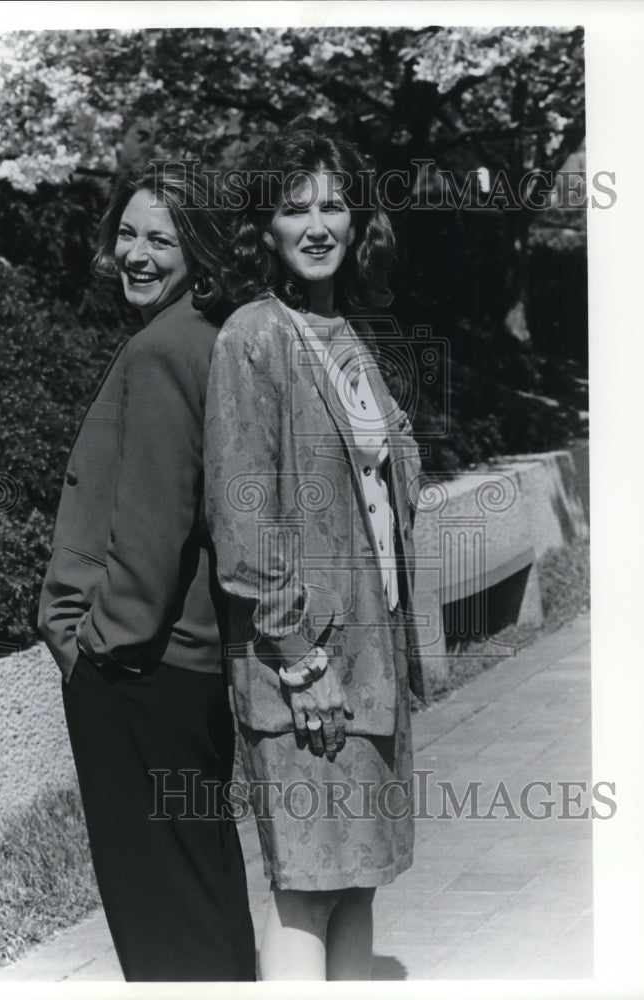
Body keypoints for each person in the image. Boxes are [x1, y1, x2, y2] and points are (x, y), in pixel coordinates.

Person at [203, 119, 424, 980]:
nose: (318, 226)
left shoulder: (345, 335)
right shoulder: (252, 336)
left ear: (360, 221)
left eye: (335, 206)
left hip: (371, 655)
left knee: (358, 881)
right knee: (308, 886)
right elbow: (243, 517)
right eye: (295, 210)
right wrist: (300, 658)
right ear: (265, 228)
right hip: (305, 664)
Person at [38, 163, 256, 982]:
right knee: (201, 894)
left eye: (160, 238)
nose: (135, 253)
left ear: (198, 249)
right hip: (187, 670)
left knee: (162, 919)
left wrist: (95, 644)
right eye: (127, 233)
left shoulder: (163, 349)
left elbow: (155, 526)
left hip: (139, 671)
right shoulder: (209, 336)